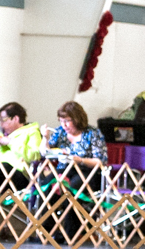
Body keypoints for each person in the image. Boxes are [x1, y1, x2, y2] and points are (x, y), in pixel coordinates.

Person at [44, 101, 108, 239]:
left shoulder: (92, 133)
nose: (64, 125)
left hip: (87, 171)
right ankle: (45, 230)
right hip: (63, 170)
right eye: (61, 121)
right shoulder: (60, 132)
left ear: (78, 119)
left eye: (67, 121)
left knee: (73, 188)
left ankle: (70, 233)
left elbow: (100, 161)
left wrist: (79, 159)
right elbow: (46, 152)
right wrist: (45, 138)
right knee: (46, 185)